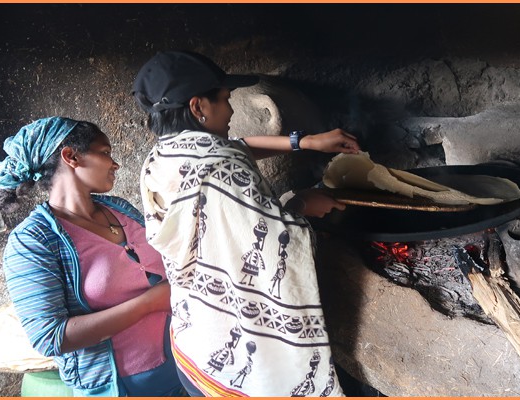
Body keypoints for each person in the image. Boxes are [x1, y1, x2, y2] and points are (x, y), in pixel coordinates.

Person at [132, 50, 361, 396]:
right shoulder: (222, 170)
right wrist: (301, 203)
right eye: (224, 99)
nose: (232, 109)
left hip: (193, 341)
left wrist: (306, 142)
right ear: (198, 107)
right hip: (239, 363)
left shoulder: (162, 156)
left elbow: (235, 146)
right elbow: (274, 249)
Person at [0, 116, 185, 397]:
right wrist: (150, 303)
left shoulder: (118, 208)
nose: (115, 164)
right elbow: (50, 337)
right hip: (125, 388)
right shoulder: (33, 241)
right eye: (105, 153)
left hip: (185, 363)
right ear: (71, 157)